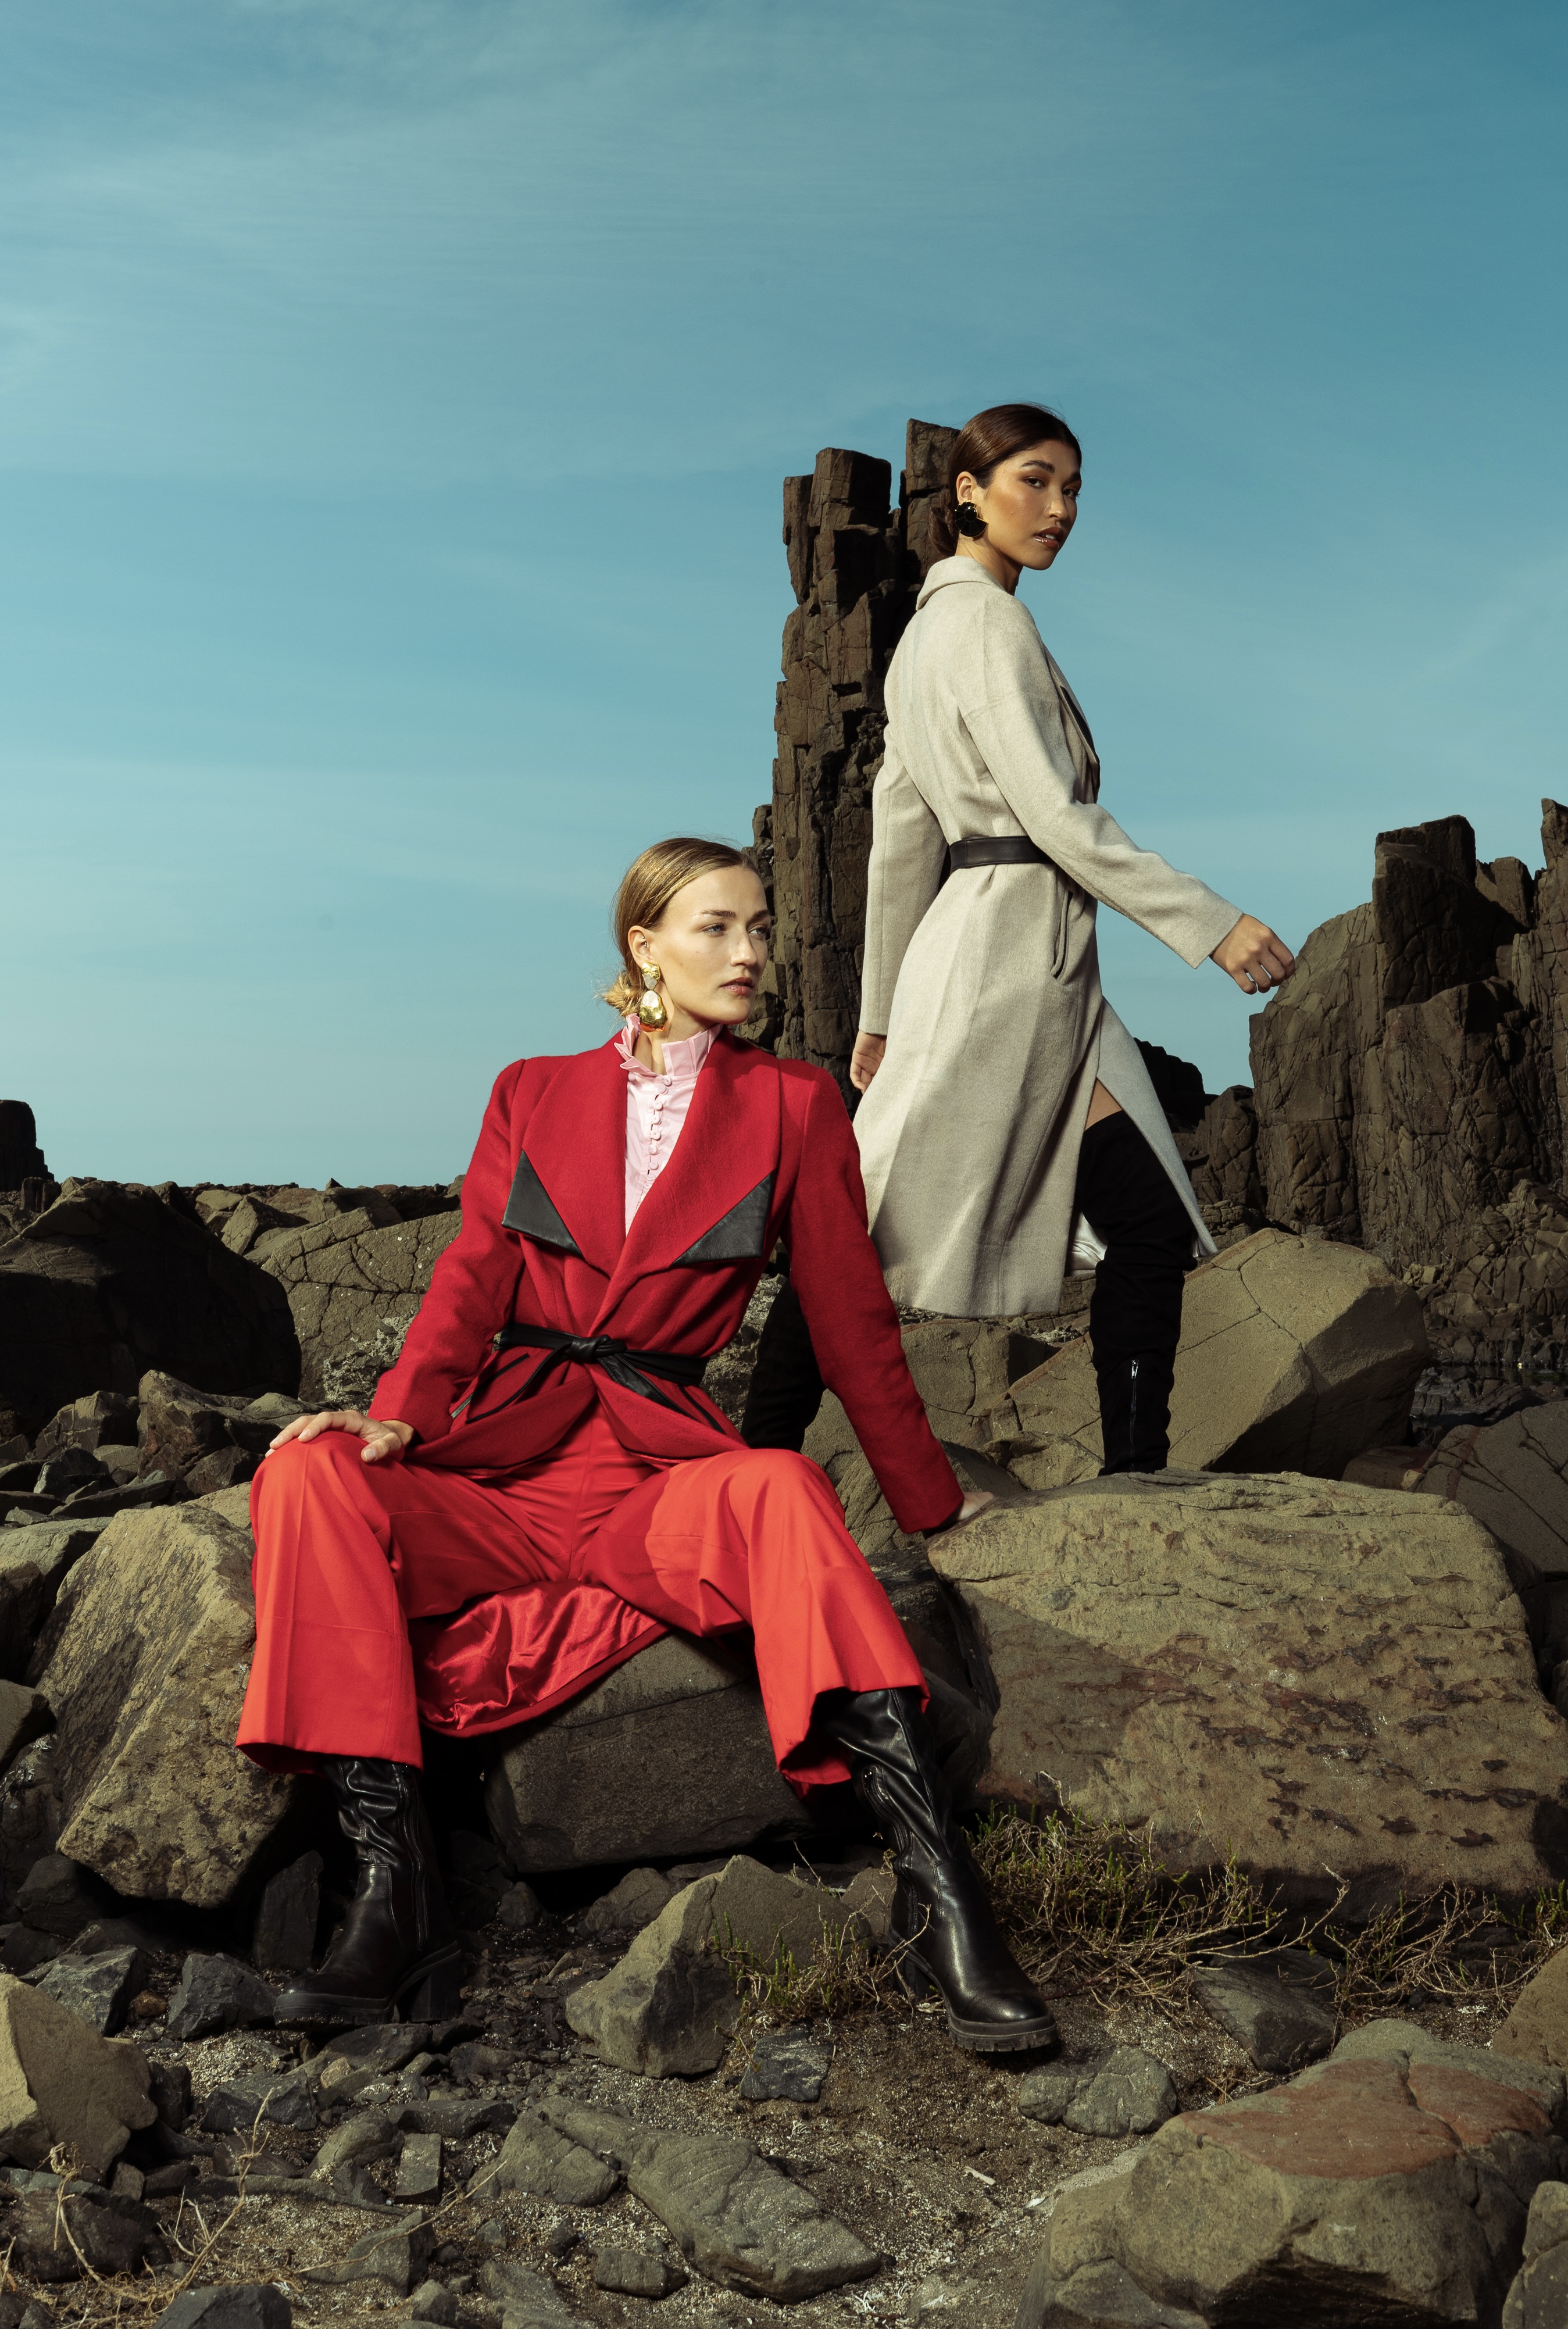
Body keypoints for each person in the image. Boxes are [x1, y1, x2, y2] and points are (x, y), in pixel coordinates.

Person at [237, 837, 1055, 2055]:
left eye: (761, 927)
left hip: (656, 1480)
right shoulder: (530, 1089)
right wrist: (397, 1412)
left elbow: (848, 1319)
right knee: (307, 1471)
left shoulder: (795, 1103)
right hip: (504, 1467)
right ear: (645, 947)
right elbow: (472, 1271)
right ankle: (394, 1902)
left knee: (779, 1487)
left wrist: (929, 1502)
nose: (751, 951)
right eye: (717, 926)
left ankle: (946, 1904)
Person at [842, 402, 1294, 1476]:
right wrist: (1211, 924)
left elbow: (899, 842)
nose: (1060, 509)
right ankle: (1132, 1476)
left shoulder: (924, 637)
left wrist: (875, 1018)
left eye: (1074, 489)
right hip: (1005, 964)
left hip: (1016, 965)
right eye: (1035, 482)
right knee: (870, 1237)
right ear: (968, 493)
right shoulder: (989, 625)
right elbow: (1052, 818)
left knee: (886, 1231)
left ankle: (1138, 1474)